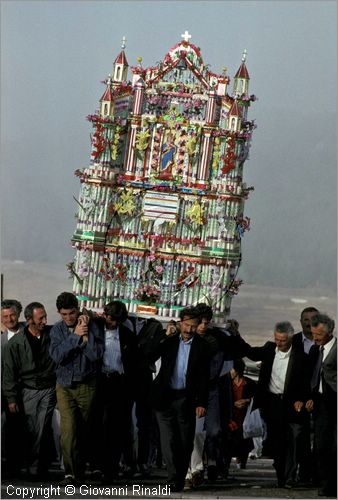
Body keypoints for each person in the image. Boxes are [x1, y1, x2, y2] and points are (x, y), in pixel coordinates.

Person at [151, 306, 210, 492]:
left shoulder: (203, 346)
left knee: (185, 442)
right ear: (180, 323)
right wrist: (163, 337)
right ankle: (172, 478)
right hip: (165, 398)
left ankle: (179, 476)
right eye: (186, 325)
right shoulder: (168, 342)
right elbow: (149, 355)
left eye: (193, 326)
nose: (189, 330)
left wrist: (201, 402)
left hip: (186, 399)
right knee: (168, 441)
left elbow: (204, 377)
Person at [246, 321, 311, 488]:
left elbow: (306, 383)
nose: (279, 343)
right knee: (277, 441)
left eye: (282, 340)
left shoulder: (301, 358)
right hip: (272, 404)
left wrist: (302, 400)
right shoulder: (269, 350)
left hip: (292, 404)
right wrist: (234, 335)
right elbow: (251, 353)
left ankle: (289, 476)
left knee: (292, 439)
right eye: (277, 339)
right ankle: (281, 474)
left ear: (290, 339)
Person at [49, 292, 104, 485]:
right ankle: (70, 474)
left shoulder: (93, 326)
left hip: (87, 385)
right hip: (64, 386)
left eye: (71, 313)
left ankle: (83, 470)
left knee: (85, 428)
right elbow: (56, 356)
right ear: (59, 313)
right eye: (64, 314)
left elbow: (96, 355)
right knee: (68, 429)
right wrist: (74, 337)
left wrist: (86, 337)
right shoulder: (56, 330)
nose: (68, 318)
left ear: (77, 309)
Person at [2, 302, 56, 479]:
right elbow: (9, 374)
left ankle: (36, 467)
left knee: (42, 427)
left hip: (47, 389)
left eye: (45, 317)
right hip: (27, 390)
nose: (45, 321)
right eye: (41, 318)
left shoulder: (52, 335)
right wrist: (11, 399)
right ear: (29, 319)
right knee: (30, 429)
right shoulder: (15, 344)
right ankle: (26, 465)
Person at [92, 301, 138, 484]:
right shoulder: (96, 330)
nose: (113, 323)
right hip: (100, 382)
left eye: (117, 320)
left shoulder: (127, 335)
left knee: (116, 428)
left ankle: (110, 469)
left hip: (119, 384)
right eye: (110, 319)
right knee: (99, 425)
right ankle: (99, 465)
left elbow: (133, 363)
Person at [305, 313, 337, 497]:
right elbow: (313, 377)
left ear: (330, 332)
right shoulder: (315, 350)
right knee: (322, 445)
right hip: (322, 404)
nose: (315, 338)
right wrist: (311, 397)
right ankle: (327, 484)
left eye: (319, 335)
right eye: (313, 334)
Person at [292, 306, 319, 486]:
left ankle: (315, 474)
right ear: (300, 321)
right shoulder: (293, 342)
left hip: (320, 397)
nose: (309, 323)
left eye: (313, 319)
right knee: (299, 436)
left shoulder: (326, 343)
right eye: (306, 319)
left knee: (320, 438)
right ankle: (302, 472)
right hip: (297, 398)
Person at [226, 358, 257, 470]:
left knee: (244, 440)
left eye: (231, 369)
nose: (230, 372)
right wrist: (233, 404)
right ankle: (226, 467)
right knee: (229, 441)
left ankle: (242, 462)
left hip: (245, 417)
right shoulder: (227, 383)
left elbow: (256, 397)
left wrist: (247, 401)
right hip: (231, 417)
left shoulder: (249, 383)